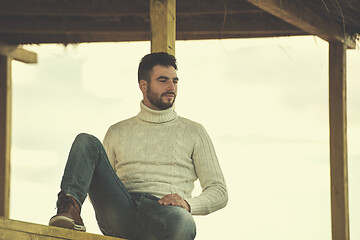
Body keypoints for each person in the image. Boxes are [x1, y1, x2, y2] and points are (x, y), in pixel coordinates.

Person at [49, 52, 228, 240]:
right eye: (163, 80)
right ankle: (69, 208)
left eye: (175, 81)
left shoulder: (194, 131)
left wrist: (188, 204)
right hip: (120, 211)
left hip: (165, 215)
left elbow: (219, 191)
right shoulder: (117, 131)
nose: (171, 87)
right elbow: (98, 182)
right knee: (86, 141)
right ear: (143, 85)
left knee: (184, 220)